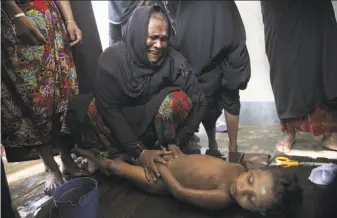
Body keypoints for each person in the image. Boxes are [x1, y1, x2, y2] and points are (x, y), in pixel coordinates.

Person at [66, 5, 208, 181]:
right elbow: (109, 109)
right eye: (152, 37)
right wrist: (139, 152)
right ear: (137, 33)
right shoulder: (111, 61)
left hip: (153, 124)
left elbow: (200, 101)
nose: (159, 45)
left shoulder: (173, 61)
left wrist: (178, 140)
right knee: (90, 107)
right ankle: (119, 153)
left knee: (179, 100)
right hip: (119, 124)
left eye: (164, 39)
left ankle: (161, 151)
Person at [1, 0, 87, 195]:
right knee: (32, 98)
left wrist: (70, 20)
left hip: (51, 20)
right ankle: (49, 165)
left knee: (64, 91)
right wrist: (16, 15)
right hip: (17, 20)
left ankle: (66, 156)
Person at [73, 147, 302, 216]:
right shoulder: (239, 168)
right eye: (250, 180)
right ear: (257, 169)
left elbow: (180, 192)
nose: (242, 188)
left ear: (257, 212)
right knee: (136, 152)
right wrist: (182, 156)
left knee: (116, 168)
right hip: (174, 160)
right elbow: (205, 162)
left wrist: (163, 171)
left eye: (250, 199)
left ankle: (90, 157)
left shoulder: (222, 197)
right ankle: (112, 156)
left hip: (160, 179)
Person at [162, 1, 251, 156]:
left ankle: (231, 147)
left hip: (213, 27)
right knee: (206, 96)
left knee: (228, 93)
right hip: (209, 28)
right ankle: (216, 144)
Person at [261, 1, 337, 153]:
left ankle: (330, 132)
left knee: (323, 58)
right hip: (281, 9)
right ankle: (290, 130)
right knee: (286, 66)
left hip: (314, 7)